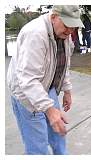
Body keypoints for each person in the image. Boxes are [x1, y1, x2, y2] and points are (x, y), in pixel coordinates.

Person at [7, 5, 84, 155]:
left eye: (74, 26)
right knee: (38, 147)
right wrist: (50, 110)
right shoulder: (35, 34)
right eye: (67, 25)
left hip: (48, 88)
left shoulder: (65, 35)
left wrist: (67, 90)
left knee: (59, 137)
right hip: (26, 94)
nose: (70, 31)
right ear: (54, 17)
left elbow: (64, 64)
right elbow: (28, 79)